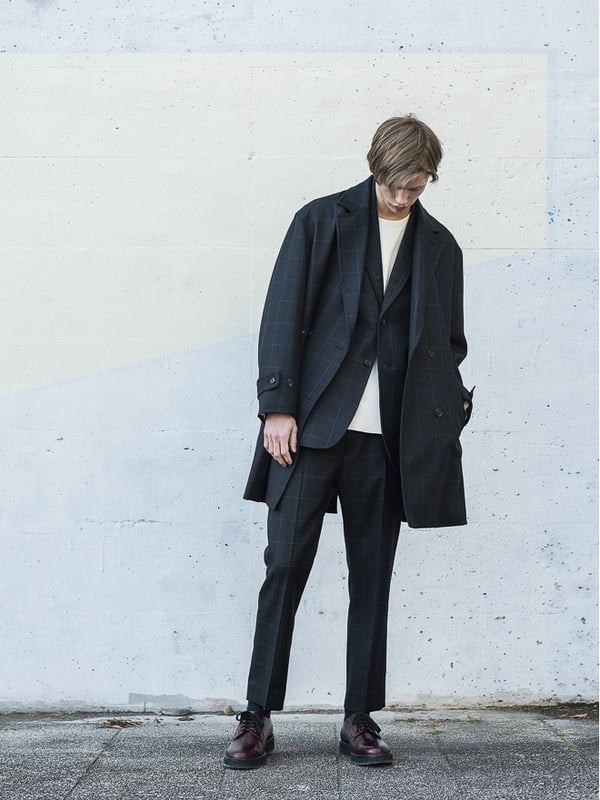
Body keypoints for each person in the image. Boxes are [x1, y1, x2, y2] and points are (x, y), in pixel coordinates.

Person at [223, 115, 474, 769]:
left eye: (417, 187)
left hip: (389, 443)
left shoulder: (440, 246)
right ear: (375, 169)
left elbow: (450, 343)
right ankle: (257, 716)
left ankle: (359, 718)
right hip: (311, 430)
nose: (405, 198)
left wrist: (441, 420)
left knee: (372, 578)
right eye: (396, 186)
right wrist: (277, 407)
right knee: (285, 567)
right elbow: (282, 315)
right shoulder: (320, 221)